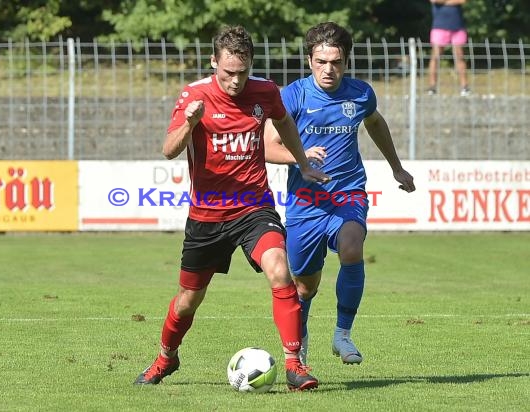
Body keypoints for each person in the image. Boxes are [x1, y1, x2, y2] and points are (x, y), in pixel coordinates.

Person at [133, 25, 329, 391]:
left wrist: (300, 161)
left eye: (242, 72)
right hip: (207, 216)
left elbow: (284, 123)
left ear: (250, 65)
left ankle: (294, 365)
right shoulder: (195, 95)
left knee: (280, 271)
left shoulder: (266, 92)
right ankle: (165, 358)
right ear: (214, 63)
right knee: (188, 301)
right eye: (228, 73)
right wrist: (190, 122)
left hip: (253, 207)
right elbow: (169, 149)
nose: (236, 81)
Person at [264, 22, 416, 366]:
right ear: (309, 61)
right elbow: (266, 147)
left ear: (346, 62)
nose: (328, 69)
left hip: (347, 194)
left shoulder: (361, 94)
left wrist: (396, 167)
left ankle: (343, 334)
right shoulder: (293, 96)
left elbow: (375, 123)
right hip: (305, 203)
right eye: (321, 61)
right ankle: (298, 342)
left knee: (352, 246)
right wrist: (301, 161)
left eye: (336, 62)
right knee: (304, 286)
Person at [427, 0, 470, 96]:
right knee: (435, 56)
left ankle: (464, 86)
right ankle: (432, 86)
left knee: (460, 56)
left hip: (458, 27)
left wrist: (444, 2)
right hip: (439, 26)